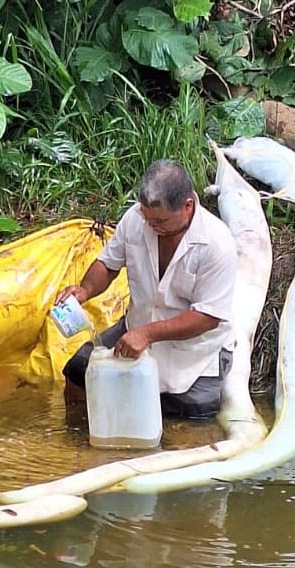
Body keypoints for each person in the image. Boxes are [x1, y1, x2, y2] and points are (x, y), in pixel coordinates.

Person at [57, 159, 237, 419]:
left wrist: (148, 334)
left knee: (193, 413)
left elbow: (207, 318)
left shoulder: (216, 244)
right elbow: (108, 264)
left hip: (195, 349)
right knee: (77, 371)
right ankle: (80, 436)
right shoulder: (135, 219)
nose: (152, 225)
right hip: (135, 325)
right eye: (147, 217)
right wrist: (84, 291)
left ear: (188, 206)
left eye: (161, 221)